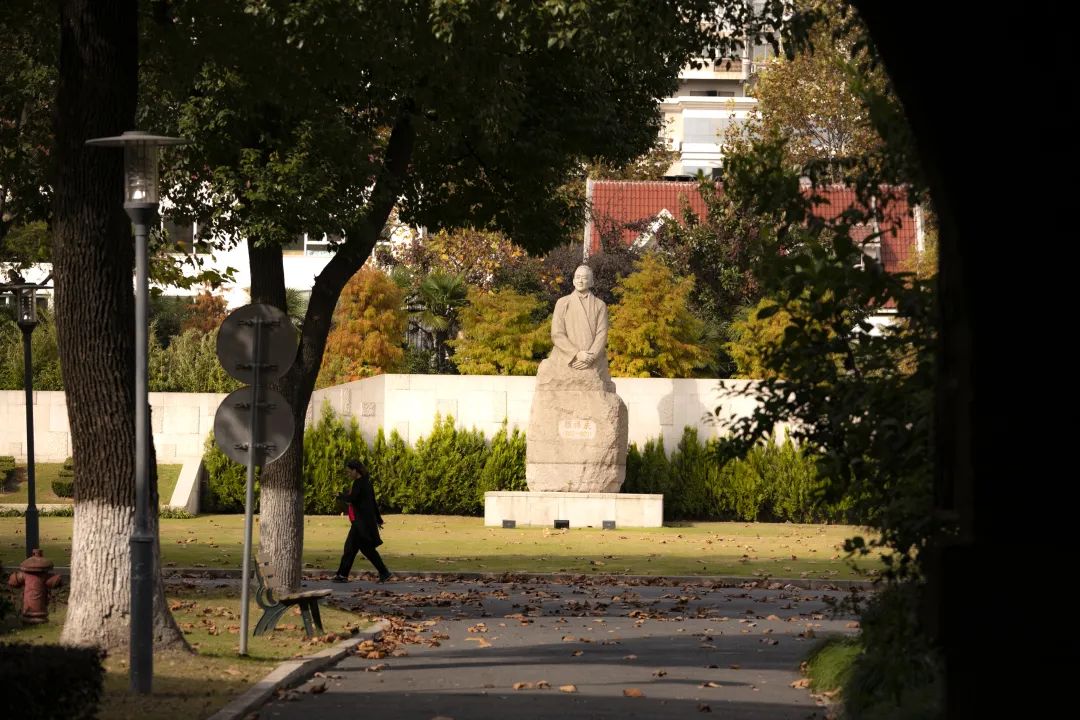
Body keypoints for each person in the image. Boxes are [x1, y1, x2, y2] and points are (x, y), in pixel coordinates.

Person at [332, 459, 392, 583]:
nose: (348, 474)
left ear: (355, 470)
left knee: (350, 548)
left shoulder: (358, 483)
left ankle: (342, 575)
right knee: (365, 549)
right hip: (362, 522)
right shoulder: (367, 483)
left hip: (360, 523)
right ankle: (384, 572)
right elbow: (373, 503)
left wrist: (340, 495)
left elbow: (352, 498)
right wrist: (379, 520)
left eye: (349, 472)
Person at [549, 264, 611, 376]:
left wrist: (590, 357)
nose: (580, 281)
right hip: (567, 358)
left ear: (591, 282)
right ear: (573, 281)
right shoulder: (562, 302)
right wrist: (576, 354)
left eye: (584, 278)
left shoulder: (600, 305)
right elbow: (557, 334)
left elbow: (602, 334)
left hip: (592, 361)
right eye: (577, 277)